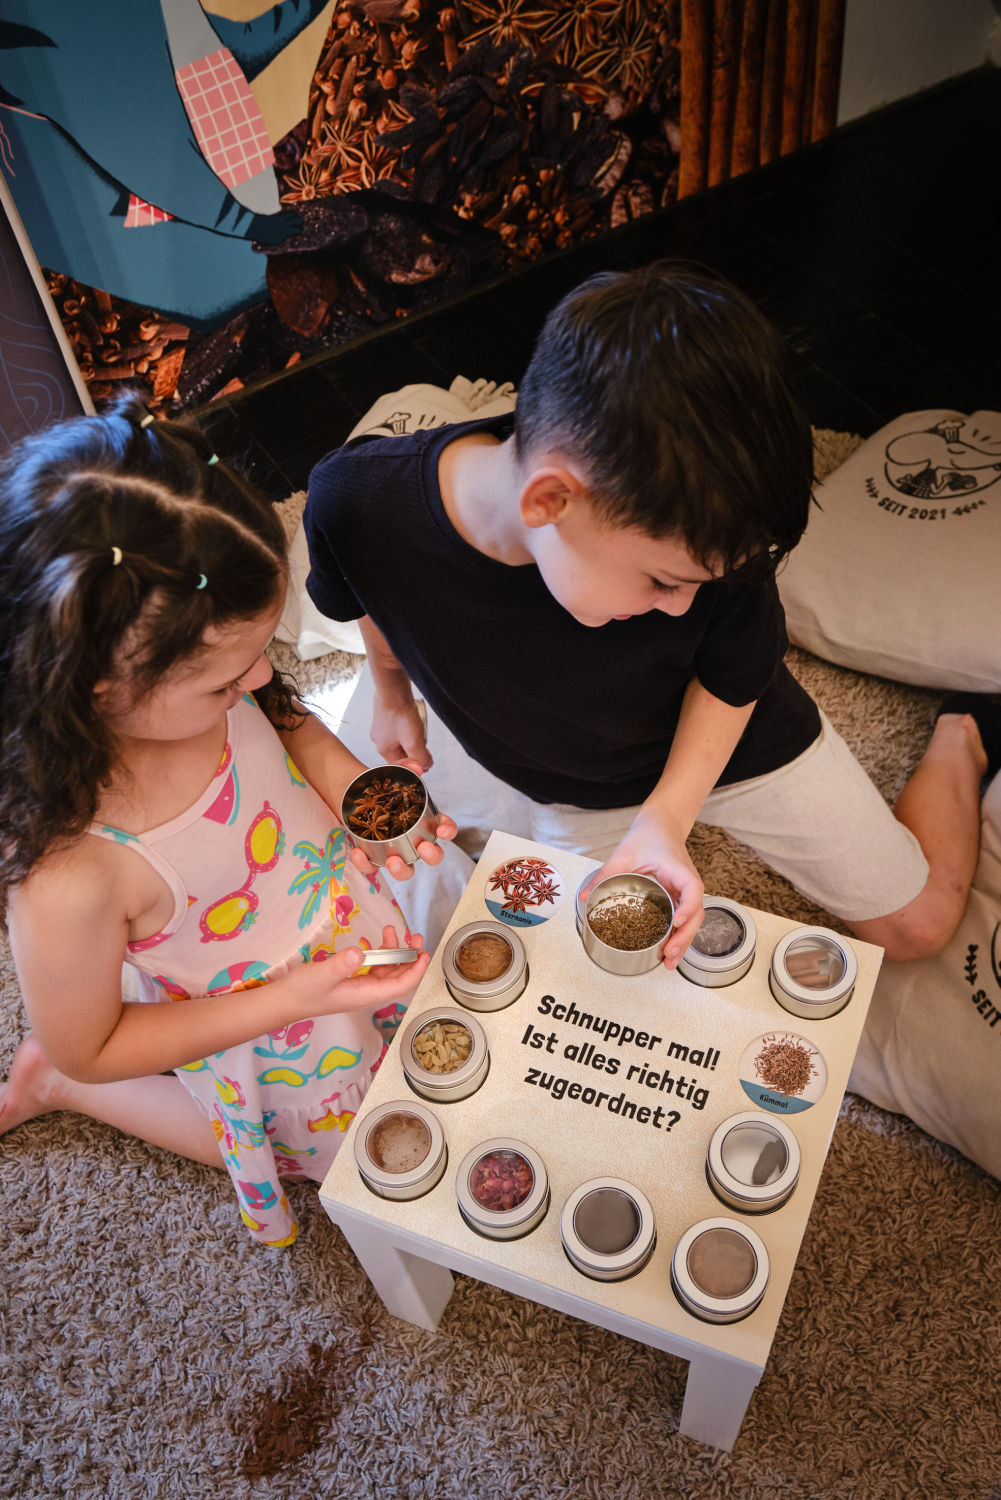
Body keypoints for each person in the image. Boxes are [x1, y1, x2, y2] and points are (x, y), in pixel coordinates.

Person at [304, 261, 987, 963]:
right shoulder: (353, 501)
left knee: (920, 928)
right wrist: (391, 696)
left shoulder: (711, 528)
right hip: (573, 785)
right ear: (549, 501)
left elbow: (732, 673)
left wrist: (666, 818)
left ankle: (959, 733)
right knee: (590, 971)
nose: (685, 606)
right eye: (662, 582)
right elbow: (370, 589)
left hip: (727, 735)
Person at [0, 394, 456, 1248]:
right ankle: (50, 1093)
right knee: (325, 1144)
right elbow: (92, 1044)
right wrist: (294, 997)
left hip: (325, 927)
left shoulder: (217, 680)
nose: (258, 680)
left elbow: (281, 717)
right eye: (223, 680)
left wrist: (345, 780)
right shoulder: (70, 873)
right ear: (99, 693)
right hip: (258, 1017)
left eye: (261, 653)